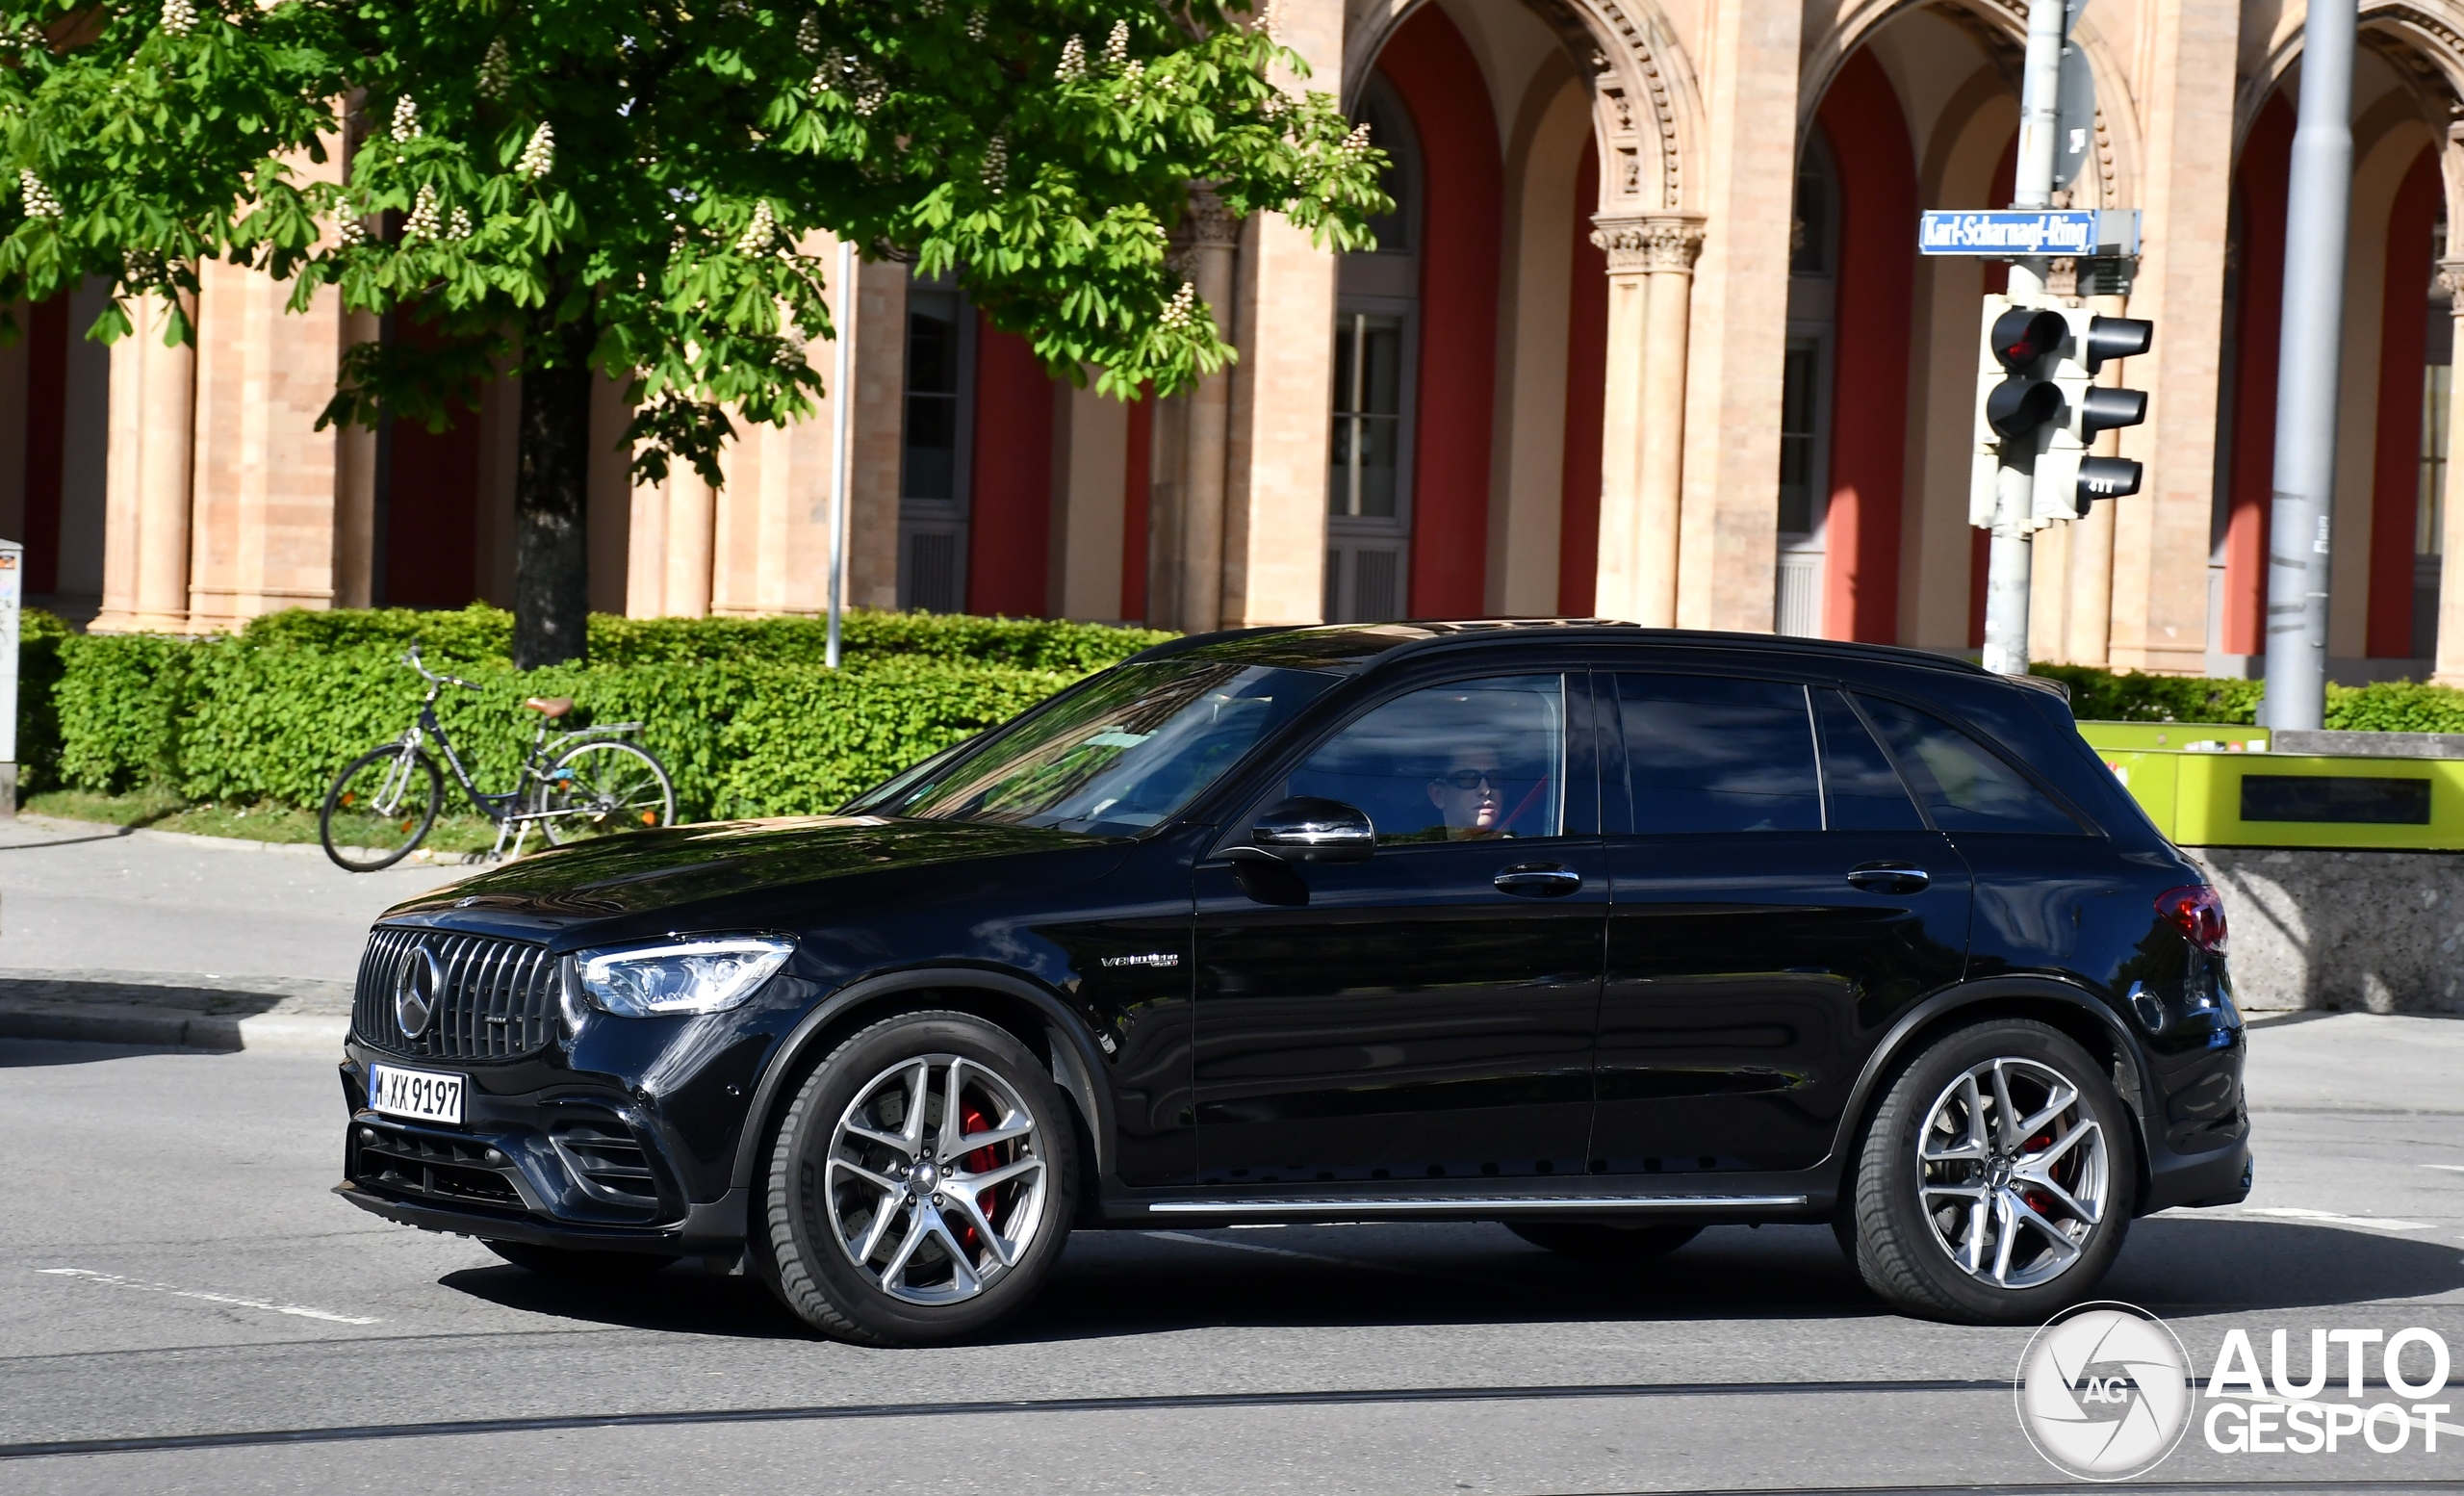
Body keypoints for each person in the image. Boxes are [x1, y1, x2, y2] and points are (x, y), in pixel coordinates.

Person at [1425, 748, 1507, 838]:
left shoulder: (1518, 850)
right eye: (1468, 779)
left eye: (1495, 778)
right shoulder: (1420, 850)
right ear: (1438, 795)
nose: (1485, 791)